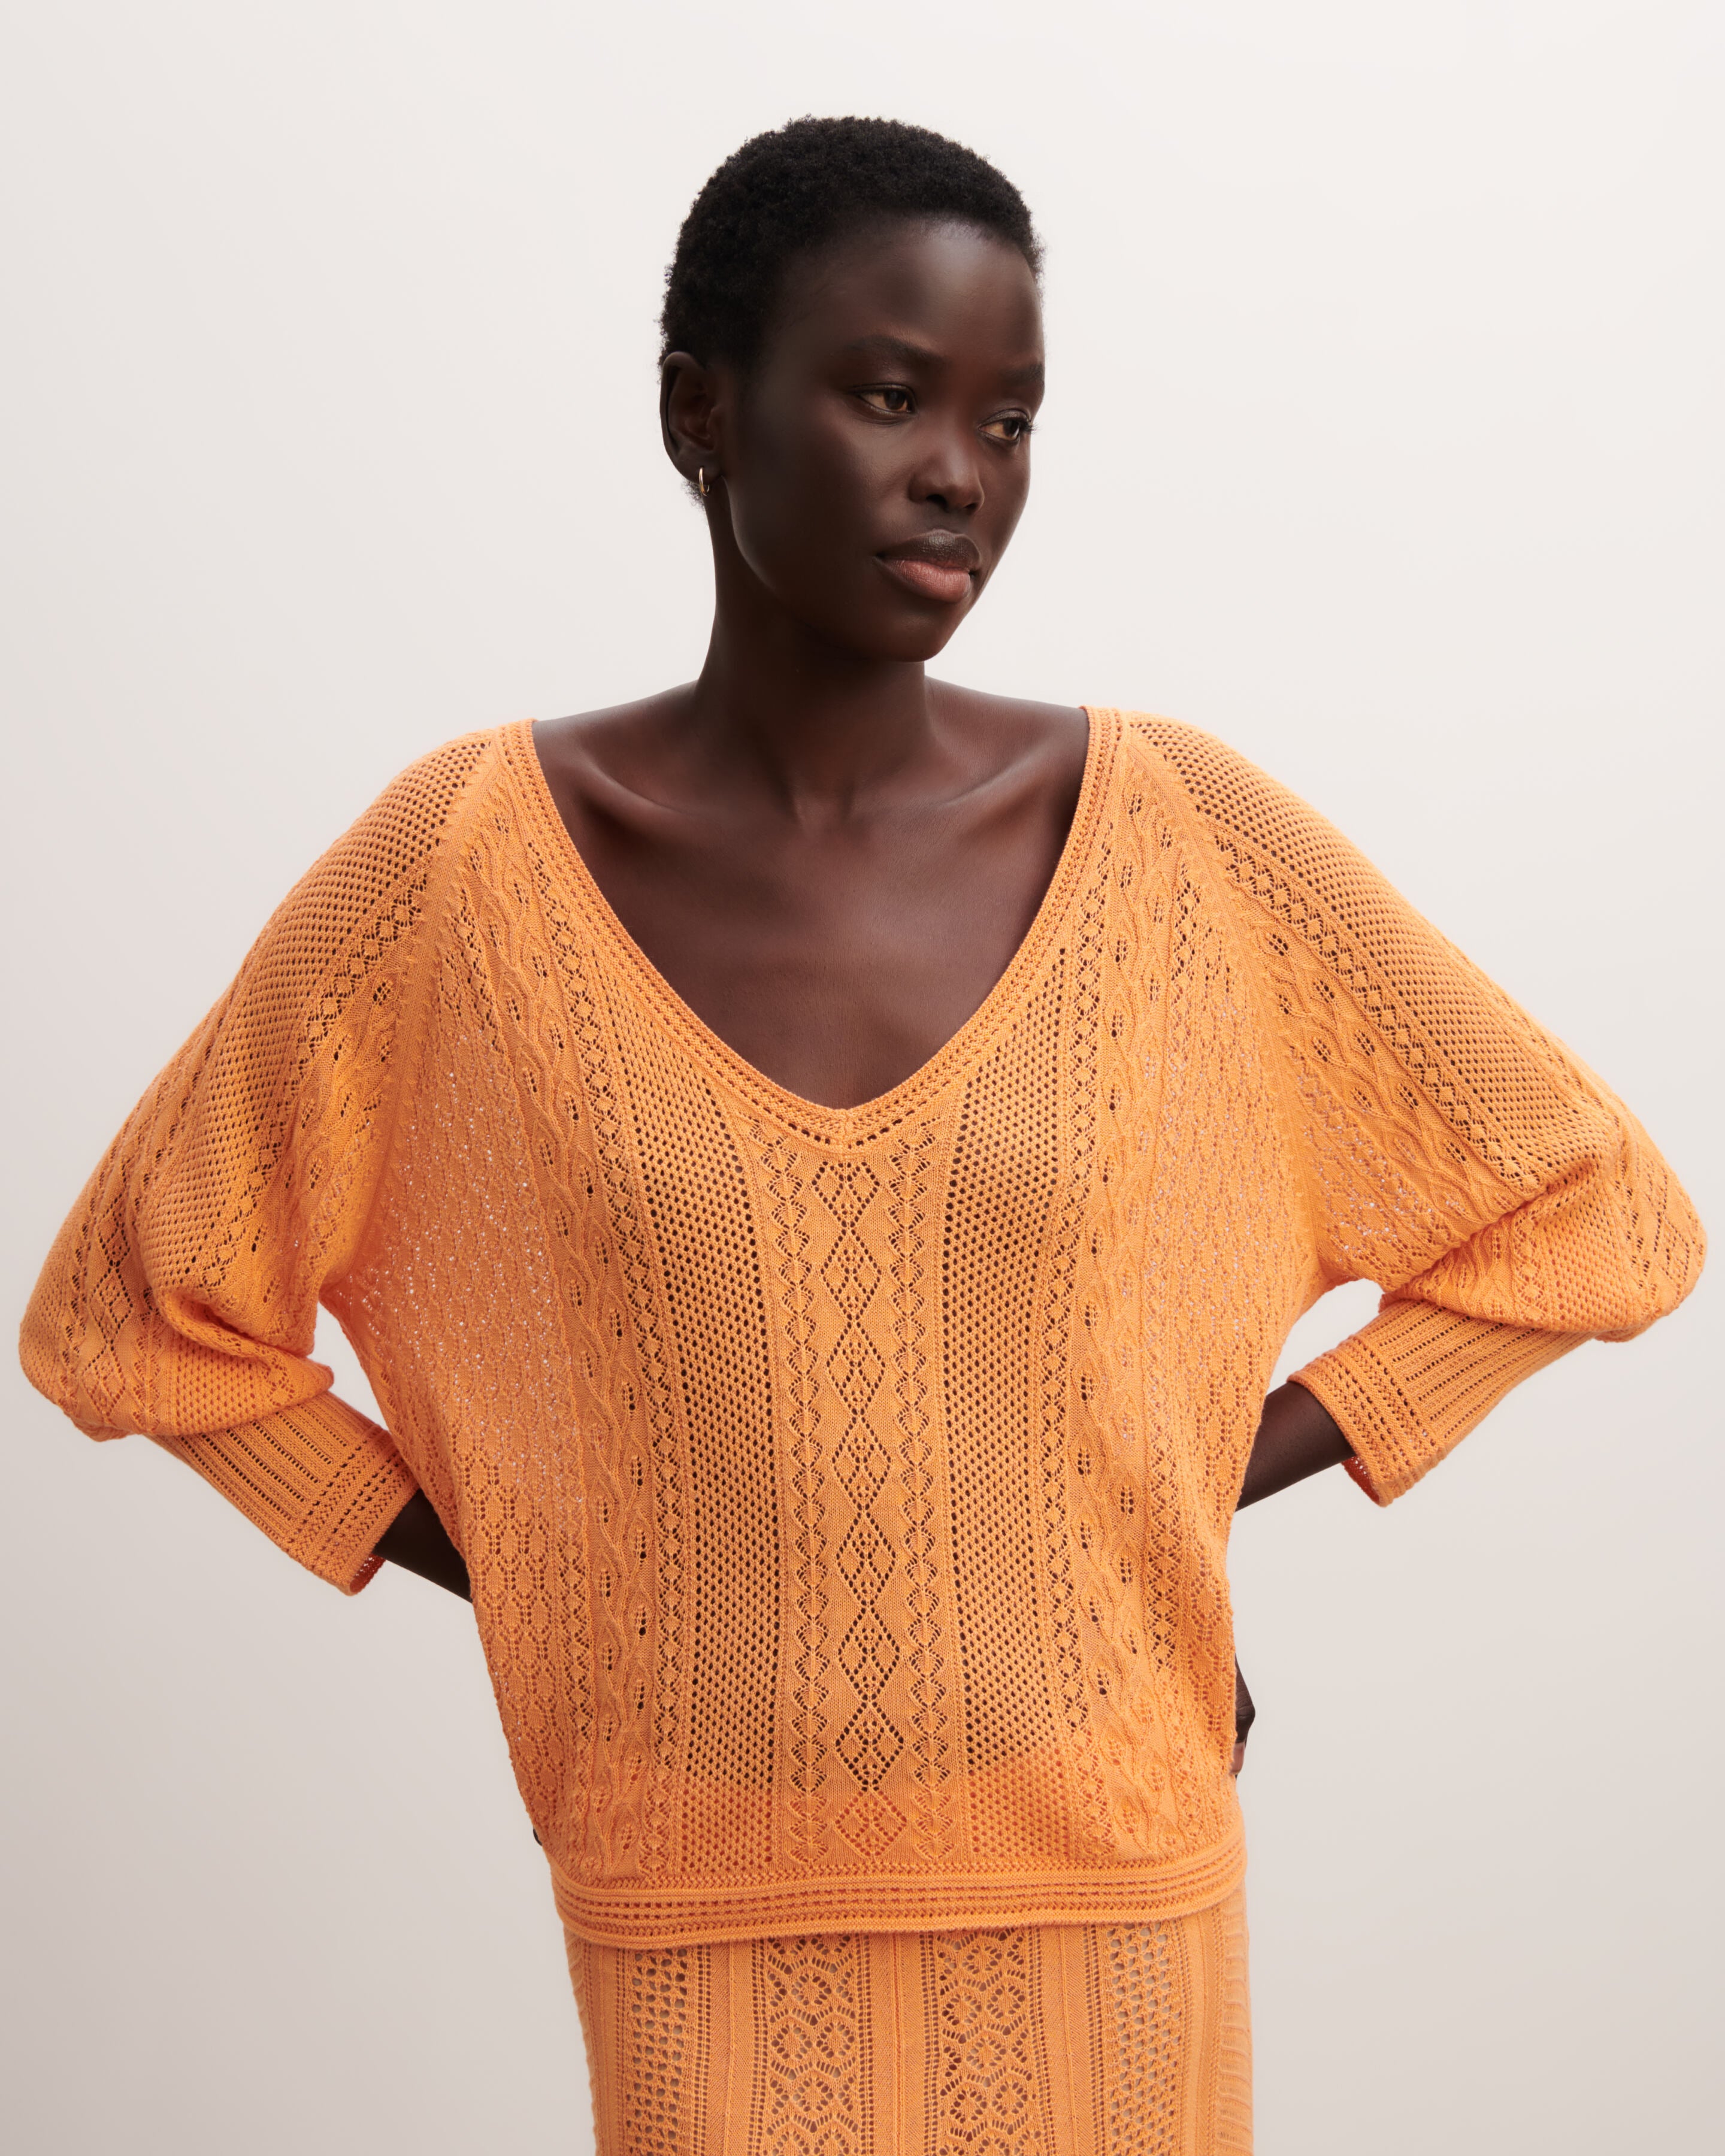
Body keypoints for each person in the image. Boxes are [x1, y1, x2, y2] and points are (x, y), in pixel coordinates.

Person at [20, 117, 1702, 2156]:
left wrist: (1170, 1502)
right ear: (699, 413)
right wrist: (556, 1583)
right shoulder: (462, 864)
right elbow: (134, 1319)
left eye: (1010, 419)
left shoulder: (1178, 836)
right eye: (892, 396)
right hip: (693, 1897)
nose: (961, 474)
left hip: (1111, 1875)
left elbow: (1592, 1212)